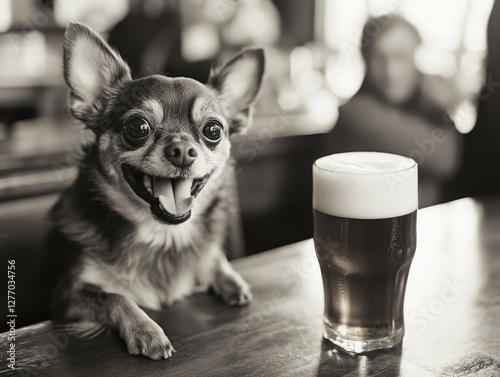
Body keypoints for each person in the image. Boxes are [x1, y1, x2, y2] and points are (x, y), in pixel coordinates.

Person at [324, 15, 461, 207]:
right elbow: (445, 159)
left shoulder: (416, 106)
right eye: (379, 58)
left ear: (415, 58)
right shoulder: (357, 115)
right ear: (365, 60)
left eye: (400, 56)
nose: (391, 72)